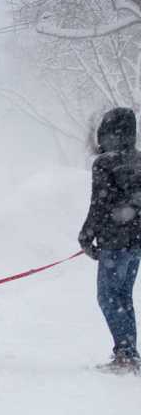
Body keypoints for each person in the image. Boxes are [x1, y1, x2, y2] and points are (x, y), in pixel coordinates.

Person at [79, 107, 141, 372]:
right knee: (123, 295)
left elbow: (100, 204)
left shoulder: (104, 163)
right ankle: (128, 352)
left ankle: (126, 355)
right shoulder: (139, 160)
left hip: (114, 242)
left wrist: (86, 236)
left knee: (107, 297)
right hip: (136, 241)